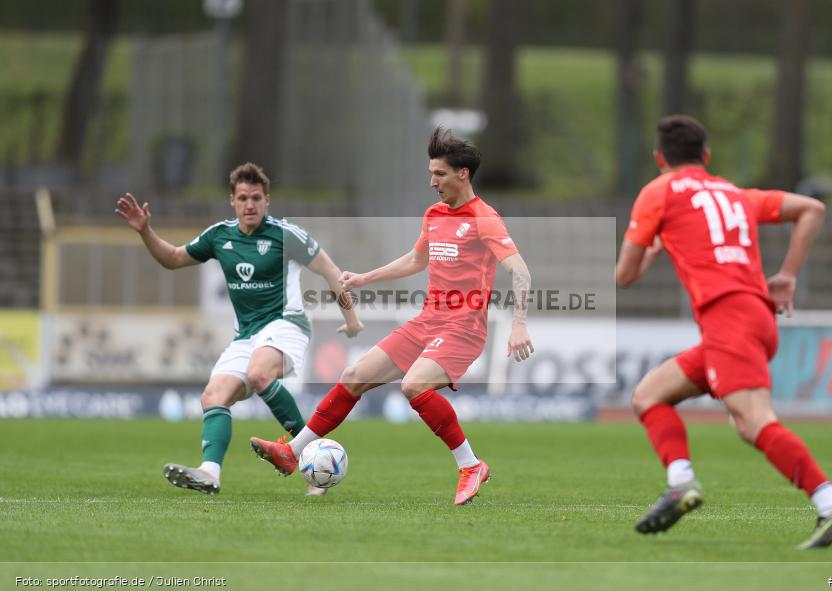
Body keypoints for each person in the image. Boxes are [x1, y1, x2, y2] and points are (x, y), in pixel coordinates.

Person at [249, 127, 535, 505]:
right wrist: (366, 278)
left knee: (414, 385)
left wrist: (517, 325)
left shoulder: (485, 218)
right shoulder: (434, 214)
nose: (432, 182)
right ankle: (293, 450)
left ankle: (470, 465)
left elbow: (520, 271)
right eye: (431, 173)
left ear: (463, 174)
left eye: (440, 174)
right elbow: (416, 259)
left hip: (463, 329)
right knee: (354, 376)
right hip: (427, 322)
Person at [615, 115, 832, 549]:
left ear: (658, 159)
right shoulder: (734, 192)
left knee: (754, 422)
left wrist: (650, 253)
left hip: (728, 319)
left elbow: (624, 276)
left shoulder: (659, 191)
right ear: (706, 157)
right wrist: (787, 275)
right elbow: (812, 209)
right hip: (755, 317)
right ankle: (680, 482)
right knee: (649, 395)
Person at [116, 162, 363, 495]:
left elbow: (331, 272)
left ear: (267, 200)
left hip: (286, 323)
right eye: (244, 198)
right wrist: (145, 231)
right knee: (213, 396)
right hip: (246, 334)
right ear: (232, 200)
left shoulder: (286, 235)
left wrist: (351, 320)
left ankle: (303, 454)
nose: (250, 205)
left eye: (257, 198)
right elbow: (174, 259)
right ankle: (210, 472)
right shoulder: (219, 236)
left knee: (260, 373)